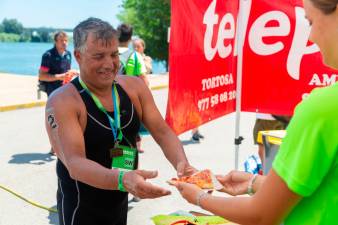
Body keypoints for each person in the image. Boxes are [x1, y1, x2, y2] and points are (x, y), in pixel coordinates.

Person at [174, 0, 338, 224]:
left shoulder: (321, 108)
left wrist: (200, 198)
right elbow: (320, 186)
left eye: (310, 22)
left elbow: (261, 215)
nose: (309, 37)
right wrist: (253, 182)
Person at [45, 18, 195, 225]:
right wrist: (122, 179)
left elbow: (162, 132)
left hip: (119, 199)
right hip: (81, 208)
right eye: (98, 56)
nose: (109, 64)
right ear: (78, 56)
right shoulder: (63, 101)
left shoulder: (134, 88)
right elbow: (75, 163)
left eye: (114, 54)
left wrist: (182, 164)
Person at [38, 31, 75, 96]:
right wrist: (59, 77)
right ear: (55, 42)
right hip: (52, 91)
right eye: (61, 40)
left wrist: (72, 73)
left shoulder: (68, 54)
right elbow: (42, 76)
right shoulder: (48, 55)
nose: (64, 43)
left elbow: (67, 71)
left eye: (66, 40)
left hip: (66, 89)